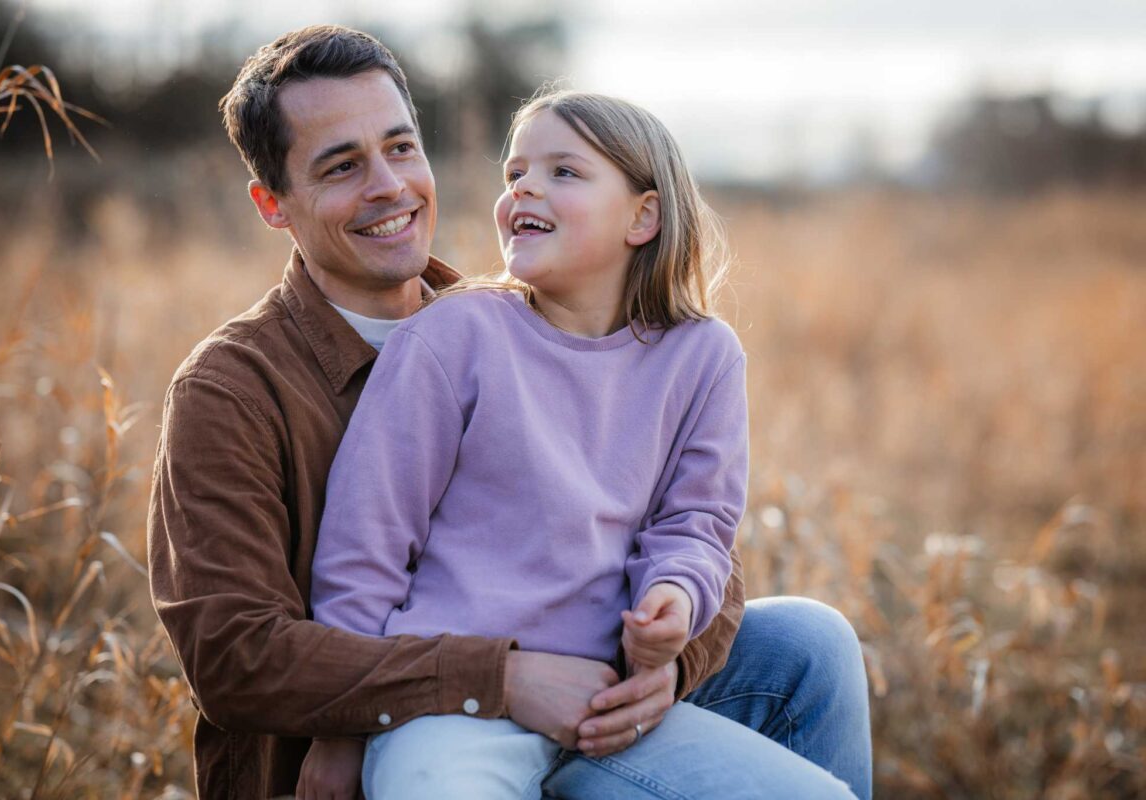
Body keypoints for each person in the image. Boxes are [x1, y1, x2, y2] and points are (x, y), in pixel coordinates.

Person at [146, 24, 872, 800]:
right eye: (341, 167)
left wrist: (669, 663)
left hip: (592, 682)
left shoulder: (523, 322)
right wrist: (502, 679)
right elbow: (236, 656)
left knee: (809, 641)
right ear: (273, 204)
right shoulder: (233, 390)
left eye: (400, 147)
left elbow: (692, 529)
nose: (389, 185)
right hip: (404, 744)